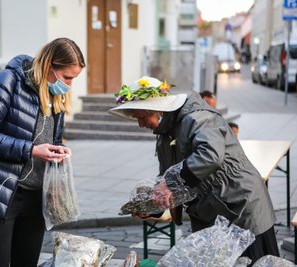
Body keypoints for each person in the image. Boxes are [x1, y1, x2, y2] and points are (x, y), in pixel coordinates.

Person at [109, 76, 279, 264]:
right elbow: (168, 176)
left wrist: (170, 183)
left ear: (158, 109)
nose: (141, 124)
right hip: (213, 214)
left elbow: (210, 155)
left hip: (241, 208)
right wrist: (152, 206)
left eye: (142, 117)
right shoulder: (165, 134)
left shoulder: (198, 117)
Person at [0, 38, 85, 267]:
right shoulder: (7, 81)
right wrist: (31, 150)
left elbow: (48, 138)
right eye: (67, 77)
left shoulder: (55, 93)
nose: (70, 85)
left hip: (35, 199)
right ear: (49, 65)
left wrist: (57, 152)